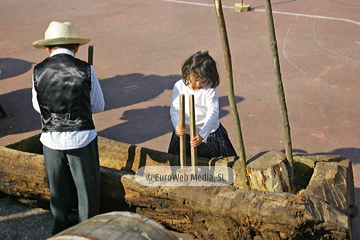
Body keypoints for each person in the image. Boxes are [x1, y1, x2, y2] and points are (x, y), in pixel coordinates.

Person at [31, 21, 105, 235]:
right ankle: (87, 233)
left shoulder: (38, 70)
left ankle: (60, 231)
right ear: (77, 47)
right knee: (87, 194)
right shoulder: (86, 69)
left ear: (47, 47)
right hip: (82, 137)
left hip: (51, 139)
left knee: (58, 193)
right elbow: (99, 105)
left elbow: (38, 106)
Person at [168, 50, 236, 159]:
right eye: (195, 80)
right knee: (181, 163)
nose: (199, 84)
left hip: (208, 134)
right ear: (187, 72)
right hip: (186, 133)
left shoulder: (210, 90)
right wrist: (177, 125)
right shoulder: (179, 86)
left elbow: (213, 114)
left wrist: (202, 135)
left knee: (213, 165)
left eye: (203, 81)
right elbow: (175, 109)